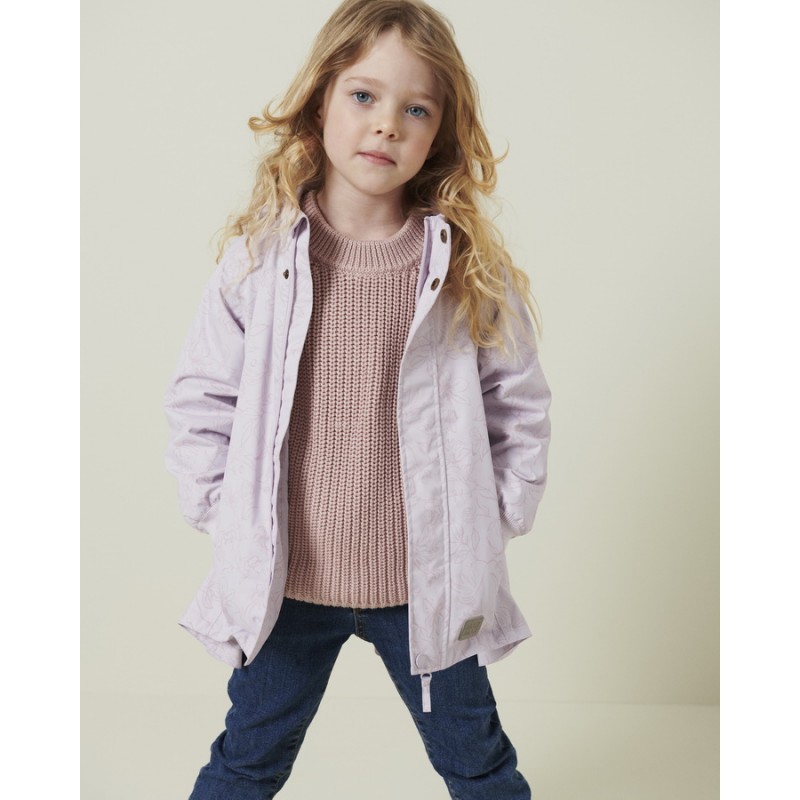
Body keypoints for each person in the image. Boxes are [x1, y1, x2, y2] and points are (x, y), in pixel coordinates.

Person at [164, 1, 551, 797]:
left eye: (417, 109)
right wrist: (223, 510)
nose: (386, 125)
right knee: (246, 759)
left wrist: (492, 517)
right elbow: (202, 396)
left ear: (439, 134)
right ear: (320, 104)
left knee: (478, 761)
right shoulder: (256, 263)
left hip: (426, 588)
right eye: (365, 96)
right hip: (286, 586)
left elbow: (518, 406)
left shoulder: (467, 271)